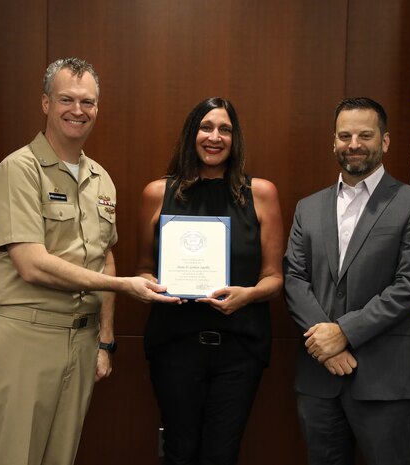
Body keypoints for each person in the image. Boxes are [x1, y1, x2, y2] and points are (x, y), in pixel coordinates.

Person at [0, 57, 180, 465]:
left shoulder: (100, 179)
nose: (78, 110)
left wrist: (105, 341)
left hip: (83, 341)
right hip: (27, 338)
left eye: (87, 102)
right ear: (45, 104)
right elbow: (31, 263)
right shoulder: (19, 170)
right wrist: (125, 285)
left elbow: (105, 256)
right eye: (66, 99)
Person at [283, 97, 410, 465]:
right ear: (333, 141)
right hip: (318, 378)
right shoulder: (308, 207)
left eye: (365, 135)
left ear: (384, 141)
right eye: (345, 135)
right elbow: (294, 277)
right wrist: (327, 342)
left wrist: (344, 333)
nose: (354, 144)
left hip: (383, 380)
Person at [136, 97, 284, 465]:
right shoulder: (157, 193)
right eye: (206, 127)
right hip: (175, 347)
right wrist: (149, 285)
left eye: (225, 129)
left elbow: (274, 278)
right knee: (179, 452)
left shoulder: (261, 194)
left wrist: (247, 295)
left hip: (239, 352)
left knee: (222, 454)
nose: (214, 137)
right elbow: (142, 267)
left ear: (235, 139)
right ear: (192, 134)